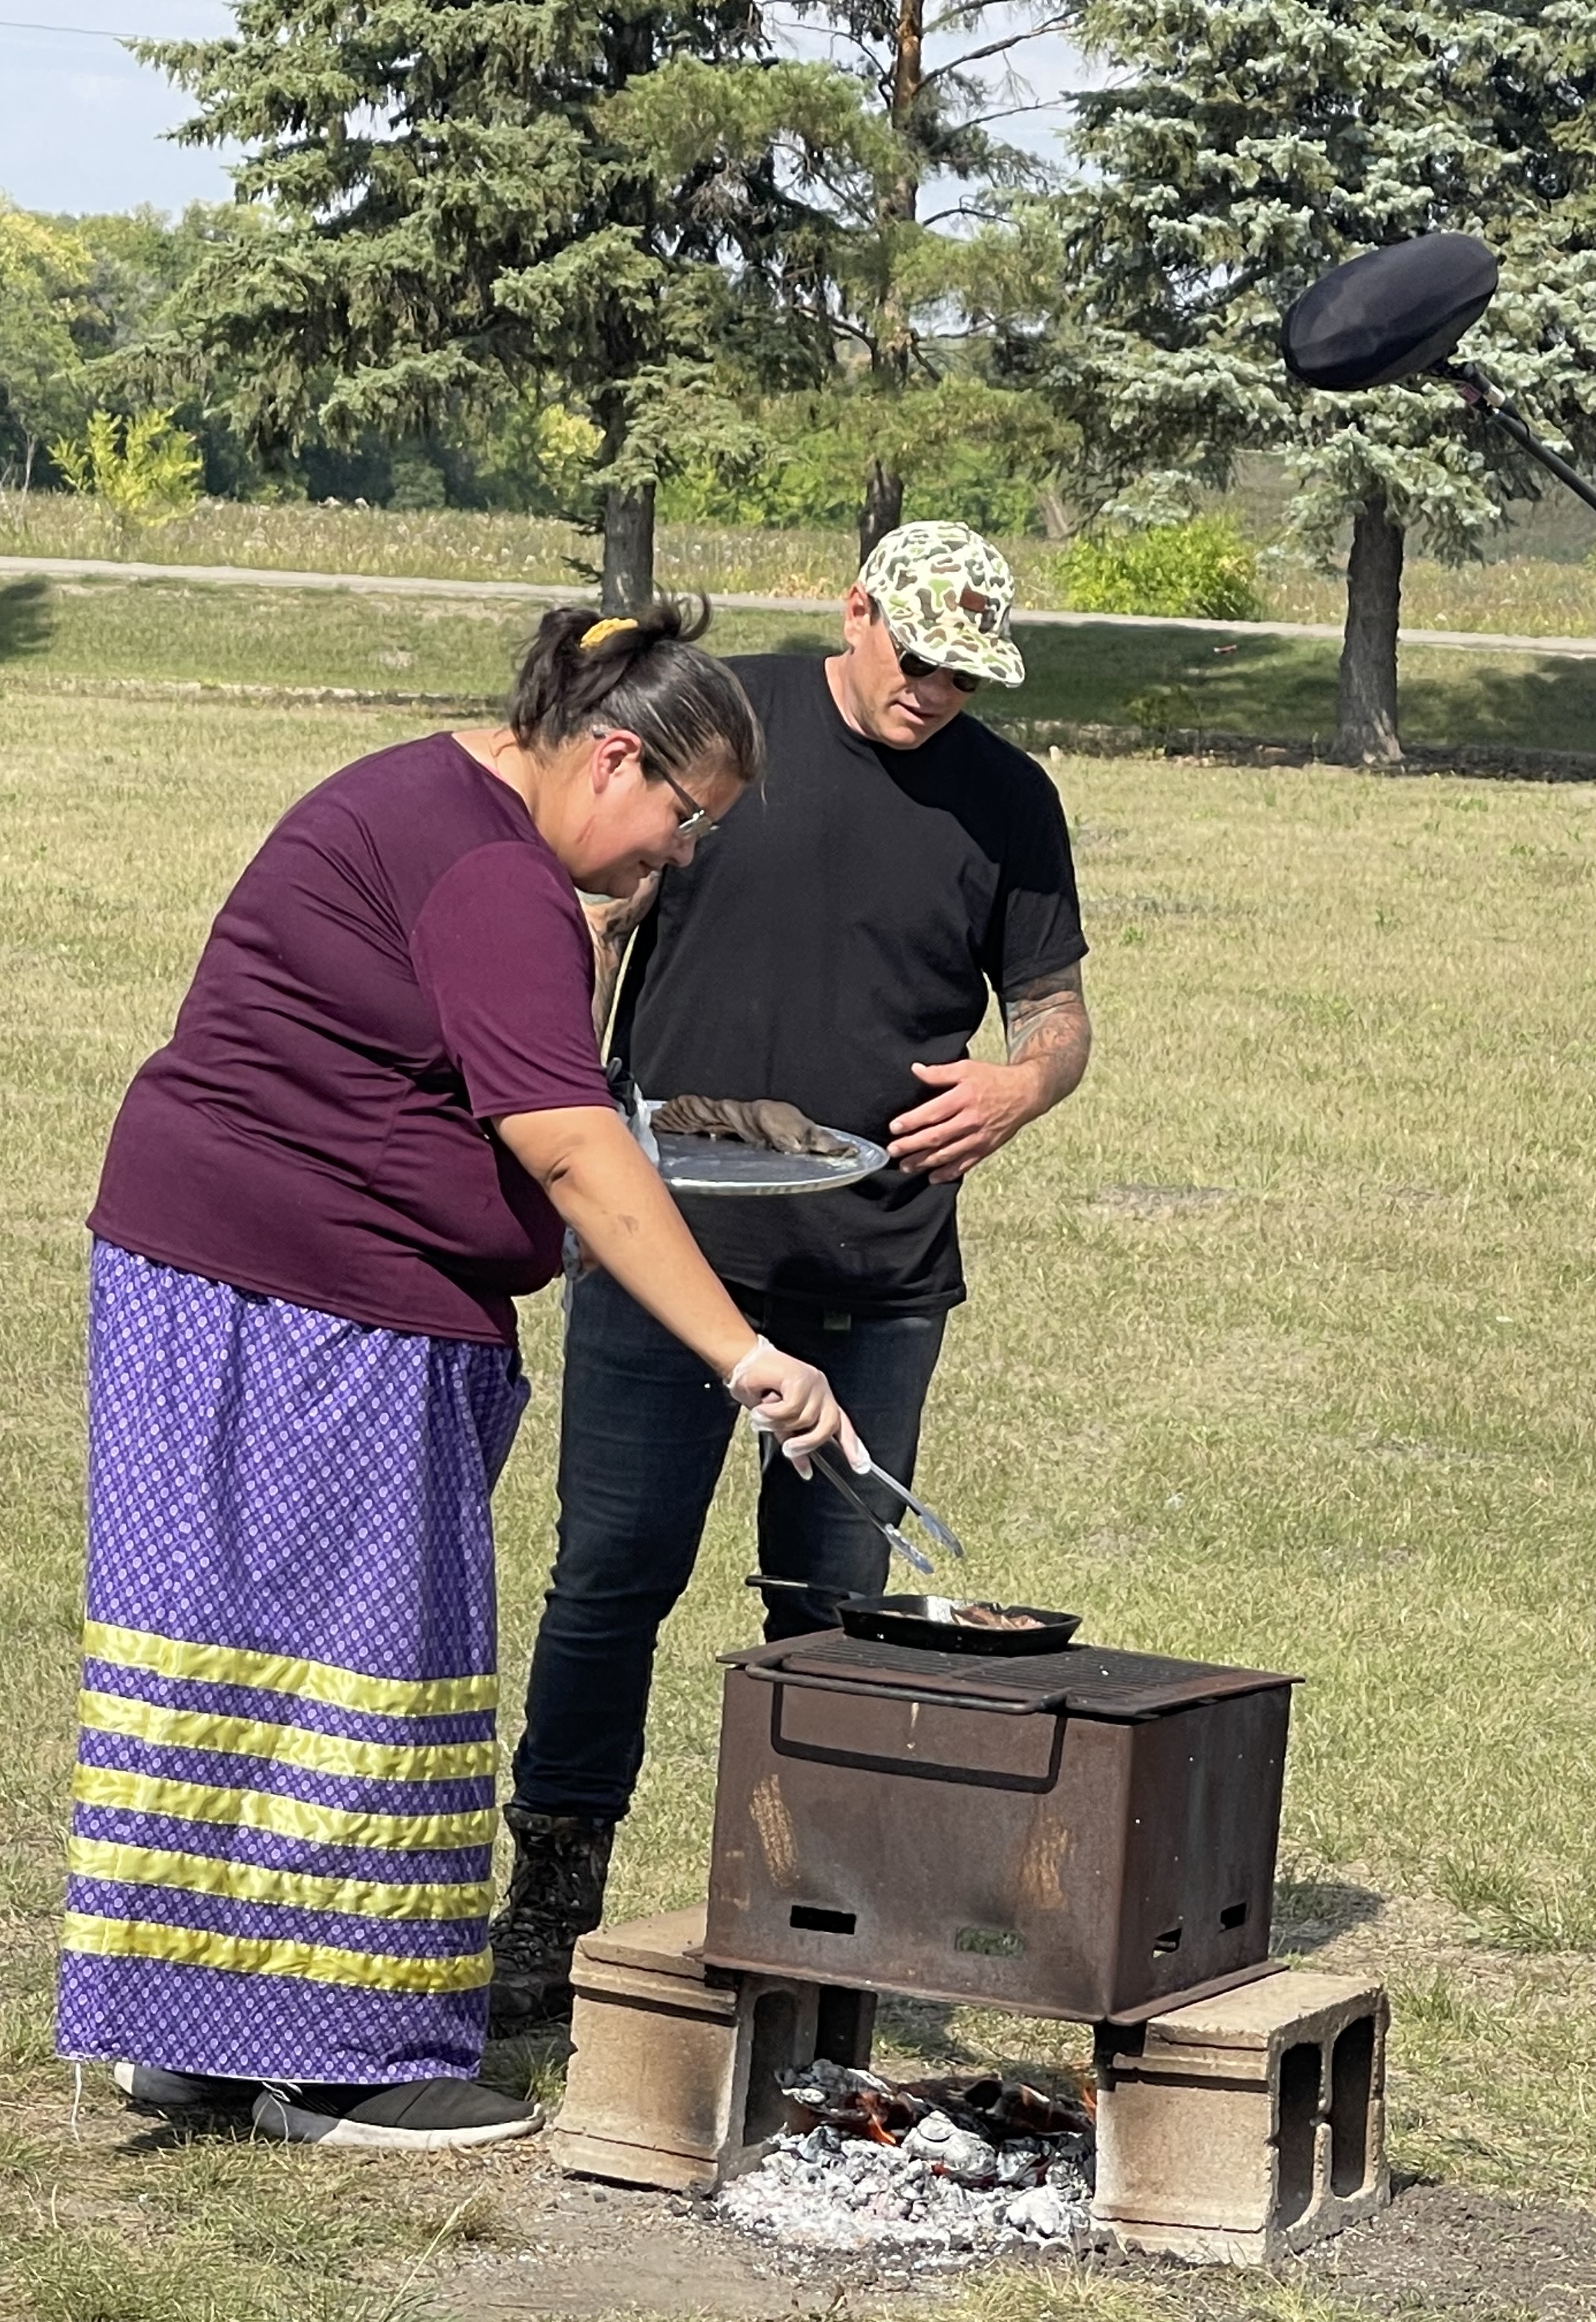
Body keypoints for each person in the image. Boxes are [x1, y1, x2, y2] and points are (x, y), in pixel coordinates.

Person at [55, 601, 861, 2152]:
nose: (680, 859)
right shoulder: (493, 870)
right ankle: (351, 2060)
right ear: (611, 756)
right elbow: (570, 1145)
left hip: (220, 1269)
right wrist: (748, 1354)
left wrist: (603, 924)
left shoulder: (445, 805)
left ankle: (207, 2038)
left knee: (244, 1662)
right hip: (300, 1300)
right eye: (684, 823)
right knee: (365, 1676)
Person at [483, 521, 1092, 2031]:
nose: (935, 691)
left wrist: (1025, 1086)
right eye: (917, 657)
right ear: (855, 614)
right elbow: (581, 898)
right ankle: (551, 1907)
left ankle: (808, 1922)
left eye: (965, 673)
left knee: (831, 1616)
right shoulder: (722, 732)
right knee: (611, 1579)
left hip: (877, 1274)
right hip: (666, 1249)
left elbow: (1062, 1009)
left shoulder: (1011, 799)